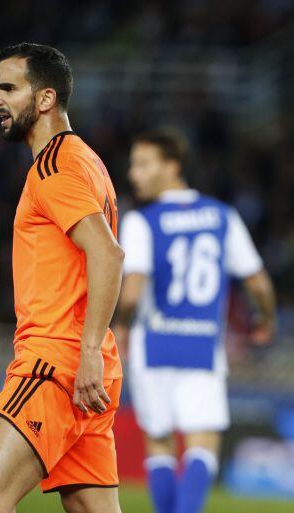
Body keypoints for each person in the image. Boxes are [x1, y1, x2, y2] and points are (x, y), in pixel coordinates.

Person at [0, 43, 125, 513]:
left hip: (55, 366)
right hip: (88, 370)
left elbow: (107, 253)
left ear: (44, 99)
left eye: (8, 88)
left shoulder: (53, 169)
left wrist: (83, 354)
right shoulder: (87, 160)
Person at [113, 128, 276, 513]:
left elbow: (133, 289)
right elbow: (258, 281)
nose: (134, 174)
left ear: (172, 166)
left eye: (143, 164)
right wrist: (265, 318)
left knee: (159, 444)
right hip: (202, 346)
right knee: (202, 446)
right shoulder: (221, 216)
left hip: (152, 346)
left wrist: (120, 327)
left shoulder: (142, 221)